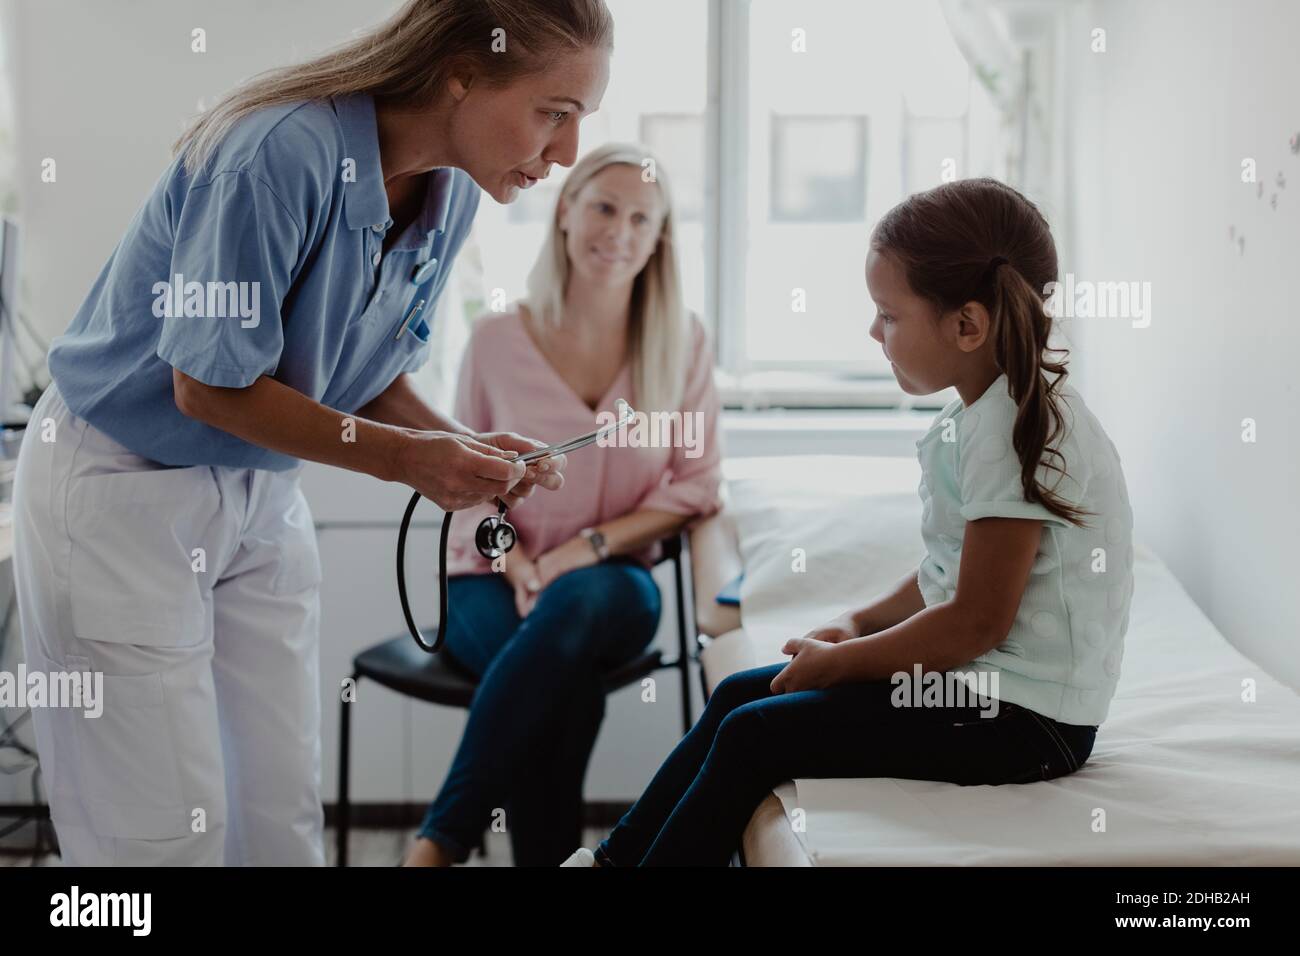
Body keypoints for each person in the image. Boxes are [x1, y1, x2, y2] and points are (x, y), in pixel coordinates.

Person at [12, 0, 615, 866]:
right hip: (123, 482)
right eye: (553, 113)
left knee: (278, 808)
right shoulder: (276, 152)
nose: (566, 153)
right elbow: (208, 384)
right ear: (462, 70)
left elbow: (363, 367)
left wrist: (461, 452)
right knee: (156, 831)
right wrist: (412, 462)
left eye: (580, 121)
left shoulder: (451, 195)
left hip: (260, 483)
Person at [564, 177, 1135, 867]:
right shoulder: (982, 409)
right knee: (739, 695)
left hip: (1028, 723)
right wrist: (861, 625)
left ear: (967, 325)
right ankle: (612, 862)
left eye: (889, 316)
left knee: (757, 734)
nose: (874, 332)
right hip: (986, 692)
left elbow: (976, 622)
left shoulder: (1014, 430)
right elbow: (950, 577)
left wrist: (844, 666)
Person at [403, 143, 723, 867]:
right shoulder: (494, 342)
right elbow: (465, 483)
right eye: (605, 207)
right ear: (568, 211)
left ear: (660, 237)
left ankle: (435, 847)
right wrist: (517, 564)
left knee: (571, 612)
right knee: (561, 683)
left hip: (614, 587)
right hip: (486, 581)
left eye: (643, 218)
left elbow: (698, 482)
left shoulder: (684, 344)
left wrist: (589, 549)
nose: (620, 231)